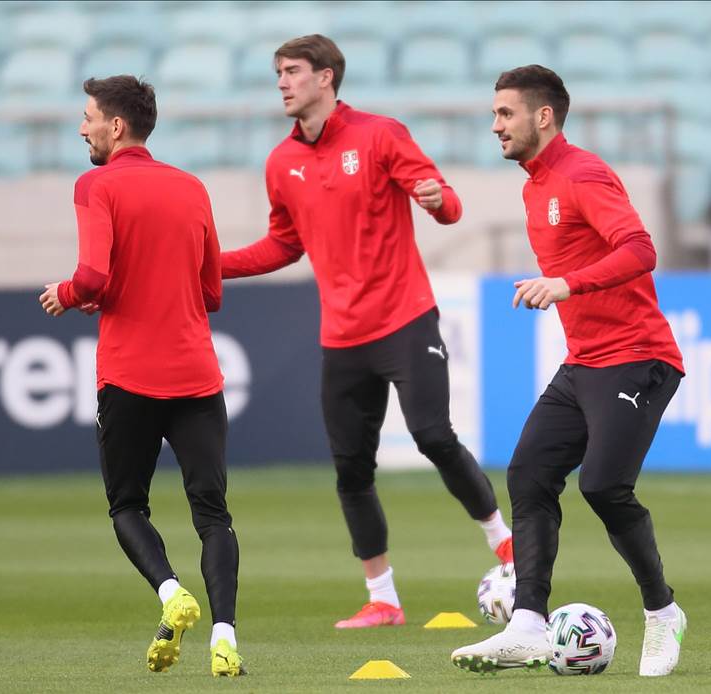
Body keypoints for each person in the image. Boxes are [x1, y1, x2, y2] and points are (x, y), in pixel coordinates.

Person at [221, 34, 514, 629]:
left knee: (433, 436)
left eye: (293, 71)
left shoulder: (380, 135)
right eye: (278, 72)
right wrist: (211, 263)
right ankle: (383, 599)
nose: (282, 82)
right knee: (351, 468)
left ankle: (507, 546)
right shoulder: (281, 163)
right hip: (343, 336)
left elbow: (447, 200)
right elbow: (283, 243)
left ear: (326, 78)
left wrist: (437, 201)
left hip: (405, 318)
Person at [451, 65, 687, 677]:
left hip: (639, 356)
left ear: (543, 116)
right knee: (530, 472)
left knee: (604, 487)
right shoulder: (534, 186)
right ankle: (528, 623)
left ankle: (663, 614)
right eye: (495, 113)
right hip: (585, 362)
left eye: (505, 113)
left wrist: (566, 283)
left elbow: (640, 249)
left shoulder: (581, 174)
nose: (495, 124)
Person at [38, 75, 244, 677]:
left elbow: (94, 277)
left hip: (129, 376)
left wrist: (66, 294)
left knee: (128, 506)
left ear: (115, 126)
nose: (83, 128)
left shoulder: (96, 184)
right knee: (214, 515)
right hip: (196, 376)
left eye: (88, 117)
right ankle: (225, 637)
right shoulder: (192, 187)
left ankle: (171, 594)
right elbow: (212, 293)